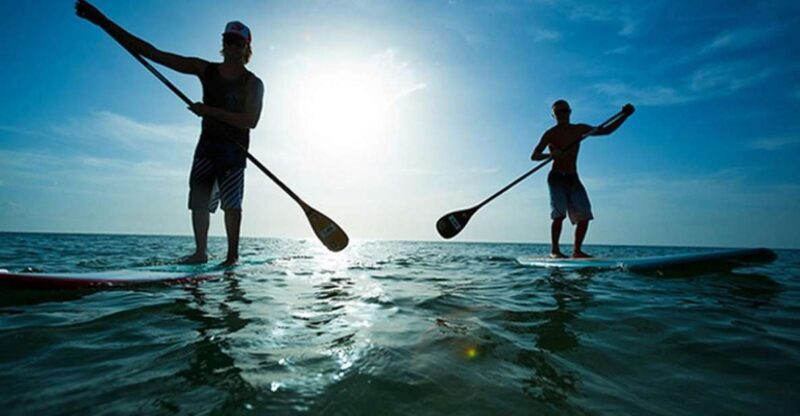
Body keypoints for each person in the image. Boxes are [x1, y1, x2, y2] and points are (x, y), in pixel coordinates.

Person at [76, 0, 265, 266]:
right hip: (207, 149)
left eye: (237, 42)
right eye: (228, 40)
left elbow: (250, 120)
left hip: (234, 153)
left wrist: (208, 111)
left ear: (247, 47)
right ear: (223, 43)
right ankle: (201, 253)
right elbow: (153, 53)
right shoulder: (204, 69)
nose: (231, 46)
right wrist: (101, 21)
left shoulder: (254, 83)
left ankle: (232, 257)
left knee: (231, 205)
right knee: (198, 201)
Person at [531, 100, 634, 258]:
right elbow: (534, 156)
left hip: (573, 177)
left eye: (564, 111)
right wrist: (550, 155)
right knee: (559, 215)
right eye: (558, 112)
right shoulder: (550, 134)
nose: (562, 115)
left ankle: (577, 251)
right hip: (556, 177)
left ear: (570, 112)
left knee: (584, 215)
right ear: (554, 115)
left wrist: (625, 115)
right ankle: (555, 251)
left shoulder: (579, 129)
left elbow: (606, 131)